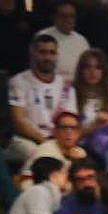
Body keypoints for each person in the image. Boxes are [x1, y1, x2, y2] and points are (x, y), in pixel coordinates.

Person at [63, 49, 108, 179]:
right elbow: (69, 132)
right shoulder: (71, 93)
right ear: (81, 70)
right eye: (88, 67)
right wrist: (95, 125)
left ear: (103, 71)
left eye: (98, 67)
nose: (93, 72)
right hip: (84, 146)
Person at [6, 34, 67, 168]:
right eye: (43, 52)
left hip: (56, 139)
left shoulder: (63, 83)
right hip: (25, 140)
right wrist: (46, 142)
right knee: (45, 158)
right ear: (33, 53)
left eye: (52, 53)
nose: (47, 57)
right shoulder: (18, 81)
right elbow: (19, 121)